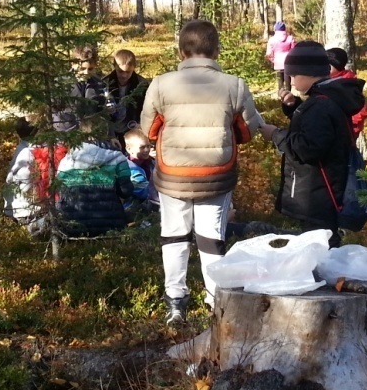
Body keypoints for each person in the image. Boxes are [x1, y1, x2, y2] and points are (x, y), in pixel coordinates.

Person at [140, 19, 266, 325]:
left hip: (173, 176)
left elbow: (149, 129)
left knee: (173, 236)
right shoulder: (235, 85)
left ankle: (175, 301)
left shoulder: (160, 83)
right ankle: (214, 301)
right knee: (212, 240)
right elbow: (249, 129)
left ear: (182, 50)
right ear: (216, 50)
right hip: (216, 174)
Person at [258, 41, 364, 247]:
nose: (291, 80)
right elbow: (317, 130)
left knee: (320, 247)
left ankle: (325, 278)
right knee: (322, 242)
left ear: (308, 73)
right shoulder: (325, 99)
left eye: (293, 75)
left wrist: (275, 135)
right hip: (326, 189)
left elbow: (308, 148)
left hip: (319, 196)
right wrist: (295, 107)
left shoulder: (320, 105)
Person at [325, 47, 367, 140]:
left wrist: (350, 127)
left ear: (336, 66)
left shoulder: (348, 83)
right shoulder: (329, 80)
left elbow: (361, 110)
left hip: (346, 132)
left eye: (328, 65)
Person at [104, 49, 150, 138]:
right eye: (120, 71)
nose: (124, 75)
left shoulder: (141, 84)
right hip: (110, 130)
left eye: (128, 72)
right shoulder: (105, 83)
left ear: (134, 67)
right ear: (114, 66)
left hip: (133, 127)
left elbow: (146, 108)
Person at [122, 125, 159, 215]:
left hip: (152, 204)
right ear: (129, 149)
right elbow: (143, 192)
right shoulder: (130, 169)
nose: (147, 150)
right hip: (135, 210)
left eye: (148, 146)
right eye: (142, 147)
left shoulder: (151, 162)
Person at [265, 21, 297, 94]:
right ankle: (289, 96)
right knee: (288, 82)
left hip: (277, 63)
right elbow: (294, 51)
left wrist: (274, 60)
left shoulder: (272, 40)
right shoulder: (290, 38)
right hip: (288, 62)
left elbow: (269, 54)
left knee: (280, 82)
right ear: (284, 29)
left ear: (275, 29)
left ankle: (281, 98)